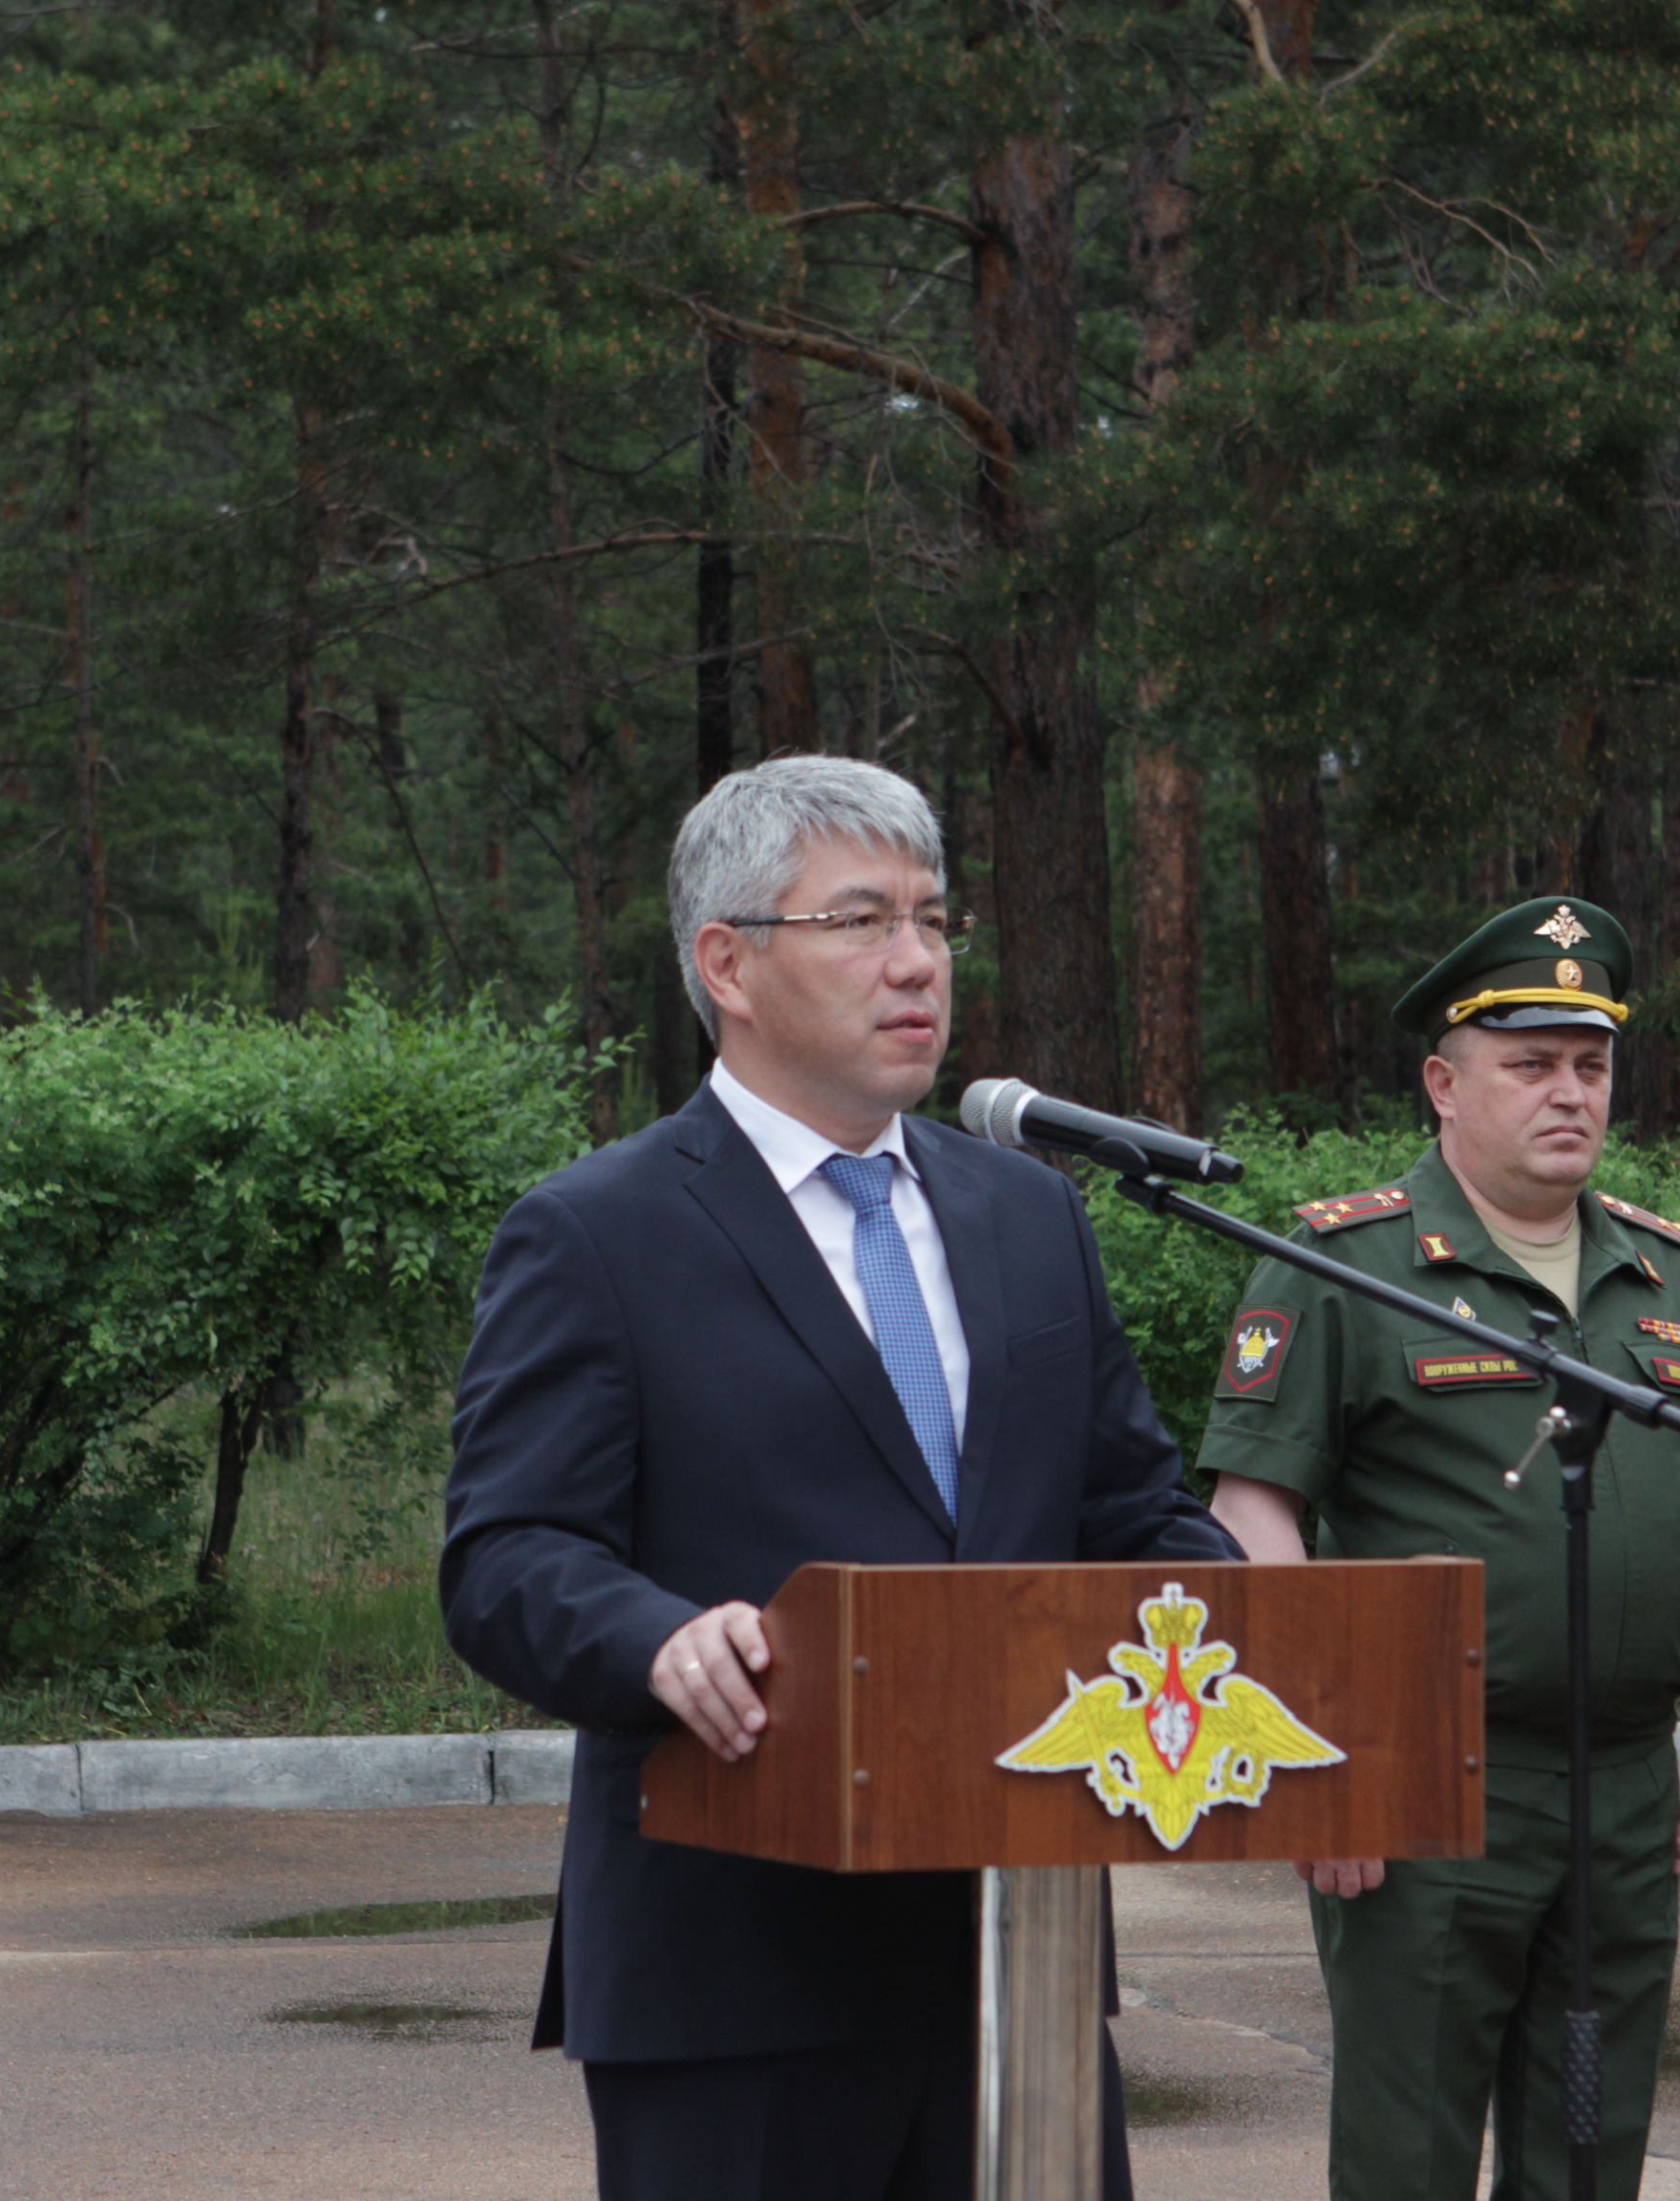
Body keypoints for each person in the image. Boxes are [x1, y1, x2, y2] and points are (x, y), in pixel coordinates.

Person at [437, 756, 1238, 2201]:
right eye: (862, 922)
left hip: (1022, 1966)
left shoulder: (1028, 1214)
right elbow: (506, 1556)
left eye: (934, 920)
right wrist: (657, 1638)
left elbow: (1137, 1515)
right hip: (735, 1970)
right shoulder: (599, 1232)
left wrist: (1266, 1636)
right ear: (727, 964)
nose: (917, 963)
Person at [1197, 896, 1680, 2201]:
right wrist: (1316, 1766)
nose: (1569, 1094)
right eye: (1531, 1065)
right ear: (1444, 1084)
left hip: (1621, 1786)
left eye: (1592, 1064)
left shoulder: (1662, 1275)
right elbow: (1255, 1515)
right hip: (1425, 1784)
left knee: (1589, 2143)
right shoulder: (1350, 1264)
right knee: (1413, 2150)